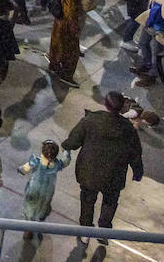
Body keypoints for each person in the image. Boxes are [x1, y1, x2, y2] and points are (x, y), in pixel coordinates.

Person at [61, 91, 144, 238]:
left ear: (106, 104)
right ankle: (104, 231)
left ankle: (86, 231)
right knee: (110, 202)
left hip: (89, 172)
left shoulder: (91, 120)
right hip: (114, 174)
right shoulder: (128, 129)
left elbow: (74, 141)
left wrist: (65, 145)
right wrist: (138, 172)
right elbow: (135, 153)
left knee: (87, 200)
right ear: (122, 107)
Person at [47, 0, 94, 87]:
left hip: (59, 23)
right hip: (67, 26)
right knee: (72, 53)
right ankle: (66, 75)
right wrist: (74, 28)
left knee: (57, 46)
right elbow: (70, 13)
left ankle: (54, 65)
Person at [19, 139, 71, 225]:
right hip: (47, 193)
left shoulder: (36, 161)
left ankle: (28, 223)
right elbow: (66, 161)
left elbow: (24, 169)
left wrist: (21, 170)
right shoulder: (57, 165)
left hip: (33, 190)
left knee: (30, 206)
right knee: (43, 207)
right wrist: (67, 151)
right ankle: (39, 221)